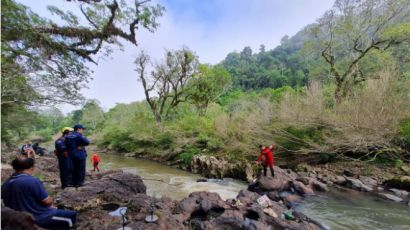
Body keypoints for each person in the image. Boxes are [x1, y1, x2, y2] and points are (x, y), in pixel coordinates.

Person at [1, 156, 77, 230]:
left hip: (16, 220)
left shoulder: (5, 184)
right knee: (71, 215)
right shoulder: (32, 180)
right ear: (31, 167)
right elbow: (47, 202)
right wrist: (51, 201)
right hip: (37, 217)